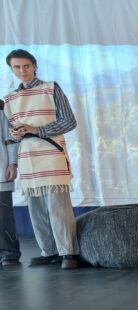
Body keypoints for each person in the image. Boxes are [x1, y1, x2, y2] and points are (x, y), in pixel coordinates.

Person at [4, 49, 79, 270]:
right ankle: (49, 251)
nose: (22, 70)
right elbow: (11, 133)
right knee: (36, 208)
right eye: (17, 67)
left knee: (58, 206)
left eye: (26, 66)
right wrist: (15, 134)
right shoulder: (10, 98)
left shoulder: (51, 88)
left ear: (34, 66)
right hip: (27, 157)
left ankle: (68, 252)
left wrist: (37, 130)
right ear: (11, 69)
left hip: (51, 153)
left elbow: (69, 121)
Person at [0, 100, 21, 267]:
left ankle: (9, 252)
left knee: (3, 216)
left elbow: (10, 138)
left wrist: (13, 162)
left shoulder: (2, 109)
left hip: (1, 171)